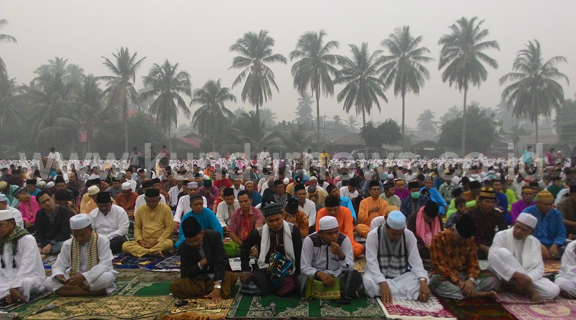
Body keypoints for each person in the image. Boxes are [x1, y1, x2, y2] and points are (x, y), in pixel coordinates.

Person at [488, 213, 560, 302]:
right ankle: (530, 291)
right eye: (517, 227)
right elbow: (491, 258)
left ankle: (512, 288)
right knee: (501, 252)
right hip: (503, 275)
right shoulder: (502, 235)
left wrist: (528, 278)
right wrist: (516, 274)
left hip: (525, 277)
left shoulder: (535, 242)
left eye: (523, 230)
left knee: (553, 290)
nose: (518, 231)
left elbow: (539, 268)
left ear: (531, 232)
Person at [363, 211, 431, 302]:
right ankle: (407, 293)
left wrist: (423, 281)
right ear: (386, 227)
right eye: (394, 234)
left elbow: (415, 260)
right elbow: (372, 262)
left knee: (424, 280)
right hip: (379, 275)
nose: (397, 237)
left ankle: (391, 292)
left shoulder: (408, 235)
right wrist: (382, 282)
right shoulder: (374, 235)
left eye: (400, 233)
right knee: (368, 283)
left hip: (402, 276)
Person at [44, 215, 117, 296]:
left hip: (94, 277)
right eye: (75, 235)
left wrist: (84, 277)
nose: (79, 238)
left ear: (91, 230)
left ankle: (73, 290)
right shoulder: (68, 244)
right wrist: (58, 275)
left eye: (82, 235)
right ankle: (92, 292)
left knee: (108, 277)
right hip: (74, 277)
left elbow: (104, 264)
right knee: (48, 283)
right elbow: (59, 264)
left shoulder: (102, 240)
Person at [429, 215, 500, 299]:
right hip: (447, 278)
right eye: (460, 239)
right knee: (435, 283)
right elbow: (440, 267)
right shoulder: (439, 239)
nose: (462, 242)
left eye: (464, 240)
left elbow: (474, 264)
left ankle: (466, 292)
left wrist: (470, 280)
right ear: (454, 231)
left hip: (465, 276)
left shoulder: (470, 240)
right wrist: (459, 283)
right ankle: (477, 294)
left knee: (493, 280)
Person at [239, 203, 302, 297]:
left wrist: (297, 273)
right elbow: (244, 247)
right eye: (270, 221)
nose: (275, 223)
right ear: (265, 221)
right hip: (266, 268)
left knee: (294, 286)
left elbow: (298, 252)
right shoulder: (258, 233)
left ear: (282, 217)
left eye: (277, 219)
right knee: (252, 283)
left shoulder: (293, 230)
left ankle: (274, 287)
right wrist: (245, 270)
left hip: (287, 269)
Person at [169, 217, 238, 301]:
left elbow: (220, 262)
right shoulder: (184, 247)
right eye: (191, 242)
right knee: (176, 286)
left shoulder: (214, 237)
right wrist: (200, 264)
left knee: (230, 277)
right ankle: (210, 293)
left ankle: (211, 292)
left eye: (197, 240)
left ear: (202, 233)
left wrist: (217, 286)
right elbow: (185, 273)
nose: (195, 244)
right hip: (198, 280)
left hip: (217, 277)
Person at [299, 216, 361, 301]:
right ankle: (342, 292)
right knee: (300, 278)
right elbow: (304, 267)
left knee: (355, 275)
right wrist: (320, 274)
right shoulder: (310, 240)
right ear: (320, 233)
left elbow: (349, 268)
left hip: (337, 276)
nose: (334, 236)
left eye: (336, 232)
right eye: (330, 233)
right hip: (316, 276)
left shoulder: (344, 240)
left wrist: (341, 255)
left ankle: (320, 292)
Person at [0, 209, 45, 303]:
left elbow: (27, 267)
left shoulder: (27, 239)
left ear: (12, 223)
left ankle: (11, 294)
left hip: (28, 277)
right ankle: (10, 294)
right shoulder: (1, 240)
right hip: (6, 279)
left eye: (1, 225)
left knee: (26, 284)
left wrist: (14, 285)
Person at [122, 189, 174, 257]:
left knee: (169, 244)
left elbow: (169, 228)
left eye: (154, 201)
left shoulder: (166, 209)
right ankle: (151, 252)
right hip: (144, 242)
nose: (151, 204)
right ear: (145, 199)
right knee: (125, 245)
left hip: (159, 241)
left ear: (159, 199)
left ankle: (143, 251)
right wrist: (140, 240)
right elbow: (137, 227)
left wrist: (157, 241)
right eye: (149, 201)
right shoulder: (141, 209)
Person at [522, 189, 567, 260]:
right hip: (532, 244)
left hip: (552, 244)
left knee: (570, 248)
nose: (549, 207)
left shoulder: (556, 214)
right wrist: (539, 245)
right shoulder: (527, 212)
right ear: (537, 203)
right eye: (546, 204)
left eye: (550, 204)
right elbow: (523, 234)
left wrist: (555, 245)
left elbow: (561, 233)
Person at [465, 188, 508, 259]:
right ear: (480, 202)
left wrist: (495, 246)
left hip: (492, 244)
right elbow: (465, 235)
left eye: (493, 202)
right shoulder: (470, 215)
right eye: (487, 202)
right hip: (474, 244)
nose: (490, 205)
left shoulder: (497, 214)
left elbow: (503, 232)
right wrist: (481, 246)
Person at [226, 190, 263, 257]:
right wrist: (243, 245)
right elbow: (231, 233)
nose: (243, 203)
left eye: (245, 201)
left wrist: (251, 247)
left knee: (261, 250)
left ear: (250, 200)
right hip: (239, 243)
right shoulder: (235, 214)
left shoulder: (257, 213)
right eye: (241, 202)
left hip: (254, 243)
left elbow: (257, 232)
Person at [34, 191, 71, 257]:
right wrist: (39, 245)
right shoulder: (39, 214)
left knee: (64, 245)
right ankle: (42, 251)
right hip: (45, 241)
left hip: (59, 241)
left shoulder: (64, 211)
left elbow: (65, 232)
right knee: (31, 240)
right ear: (40, 205)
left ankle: (44, 253)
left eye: (48, 200)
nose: (47, 203)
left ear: (53, 198)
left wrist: (50, 244)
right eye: (43, 202)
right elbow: (38, 232)